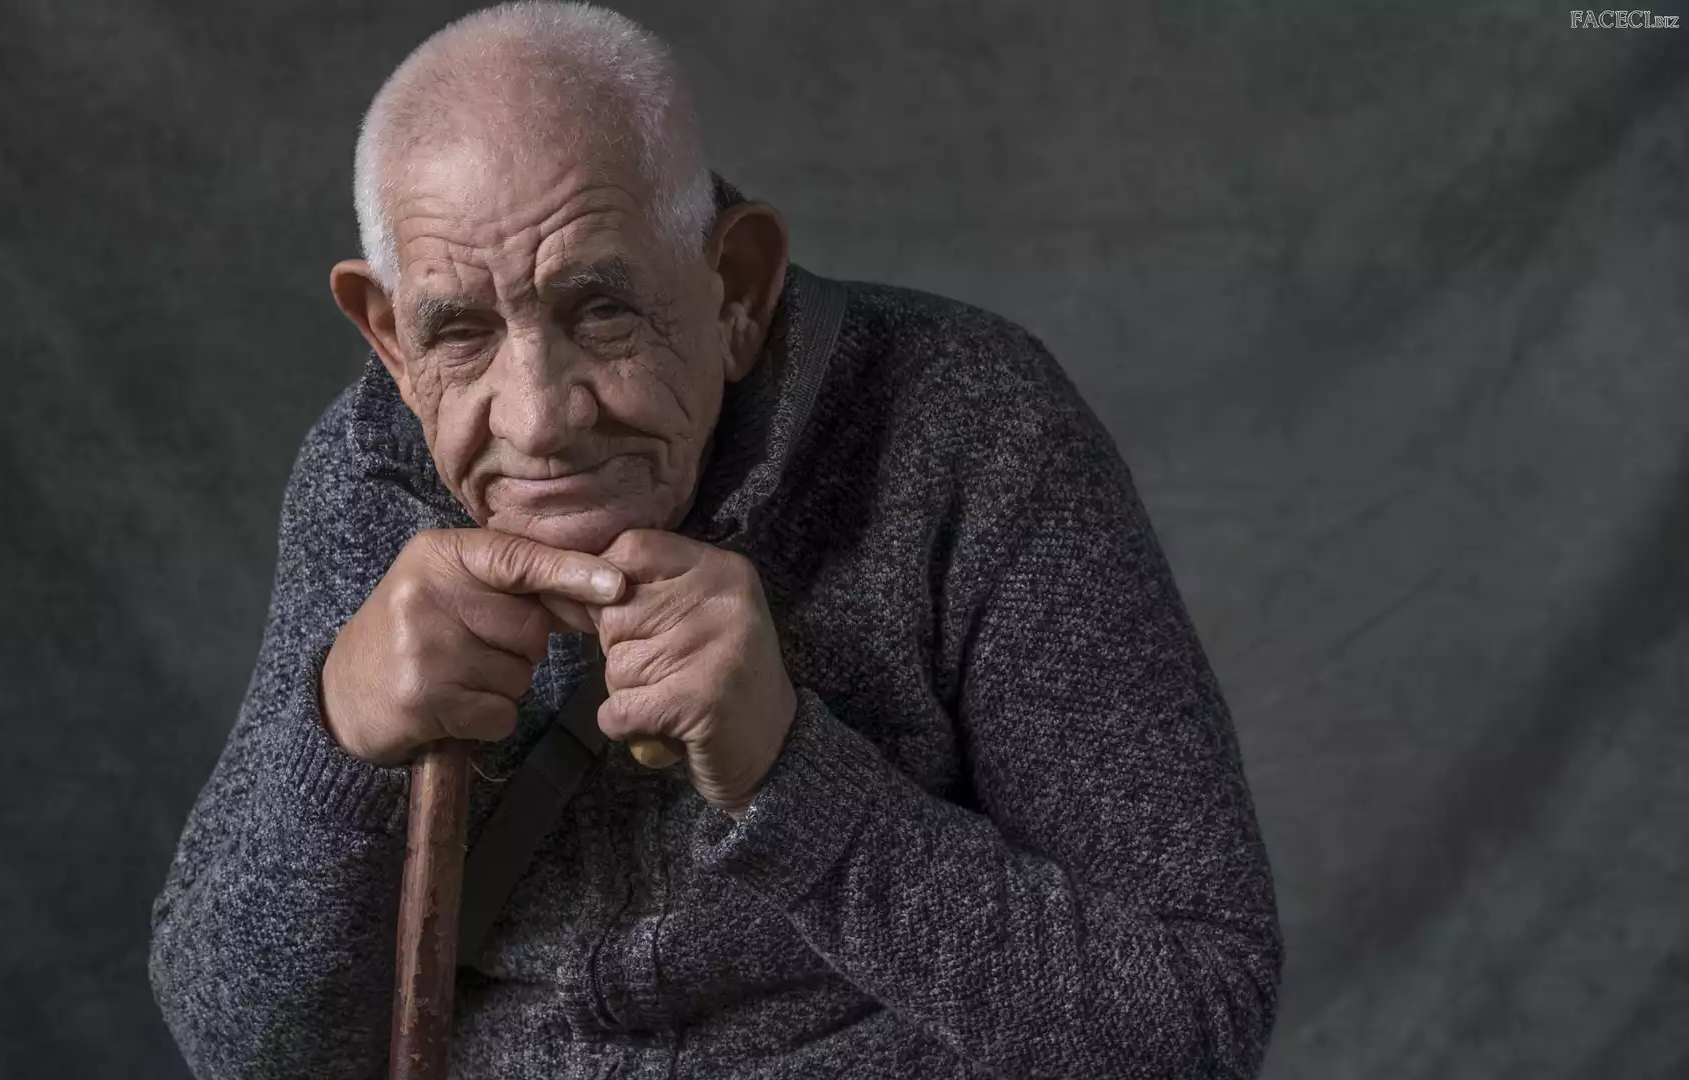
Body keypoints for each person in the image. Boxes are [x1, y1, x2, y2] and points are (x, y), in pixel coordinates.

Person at [148, 3, 1282, 1077]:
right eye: (461, 333)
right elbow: (246, 1052)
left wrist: (792, 777)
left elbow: (1194, 1025)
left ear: (736, 288)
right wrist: (340, 739)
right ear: (392, 339)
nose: (538, 420)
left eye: (601, 310)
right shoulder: (370, 475)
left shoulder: (971, 423)